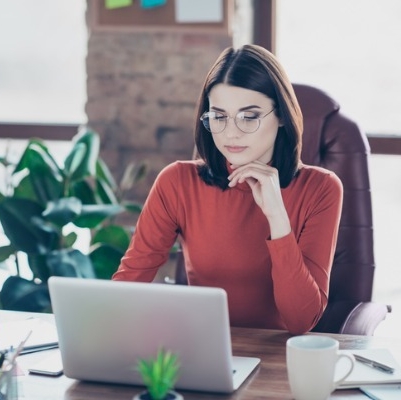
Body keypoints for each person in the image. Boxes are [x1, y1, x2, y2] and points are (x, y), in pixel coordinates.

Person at [112, 44, 343, 335]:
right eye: (219, 116)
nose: (231, 132)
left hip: (278, 362)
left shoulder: (321, 188)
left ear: (282, 115)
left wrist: (277, 218)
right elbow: (128, 285)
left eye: (249, 117)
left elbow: (301, 321)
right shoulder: (178, 182)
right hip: (202, 349)